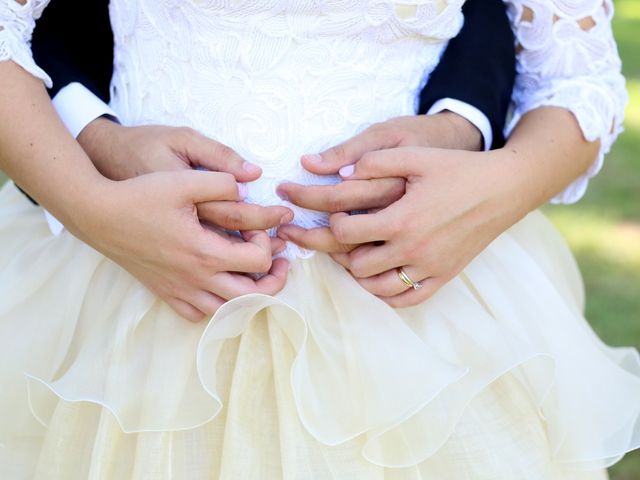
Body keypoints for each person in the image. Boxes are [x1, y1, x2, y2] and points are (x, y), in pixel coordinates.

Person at [0, 1, 638, 479]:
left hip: (413, 321)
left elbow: (575, 82)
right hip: (134, 296)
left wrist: (492, 187)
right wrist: (94, 207)